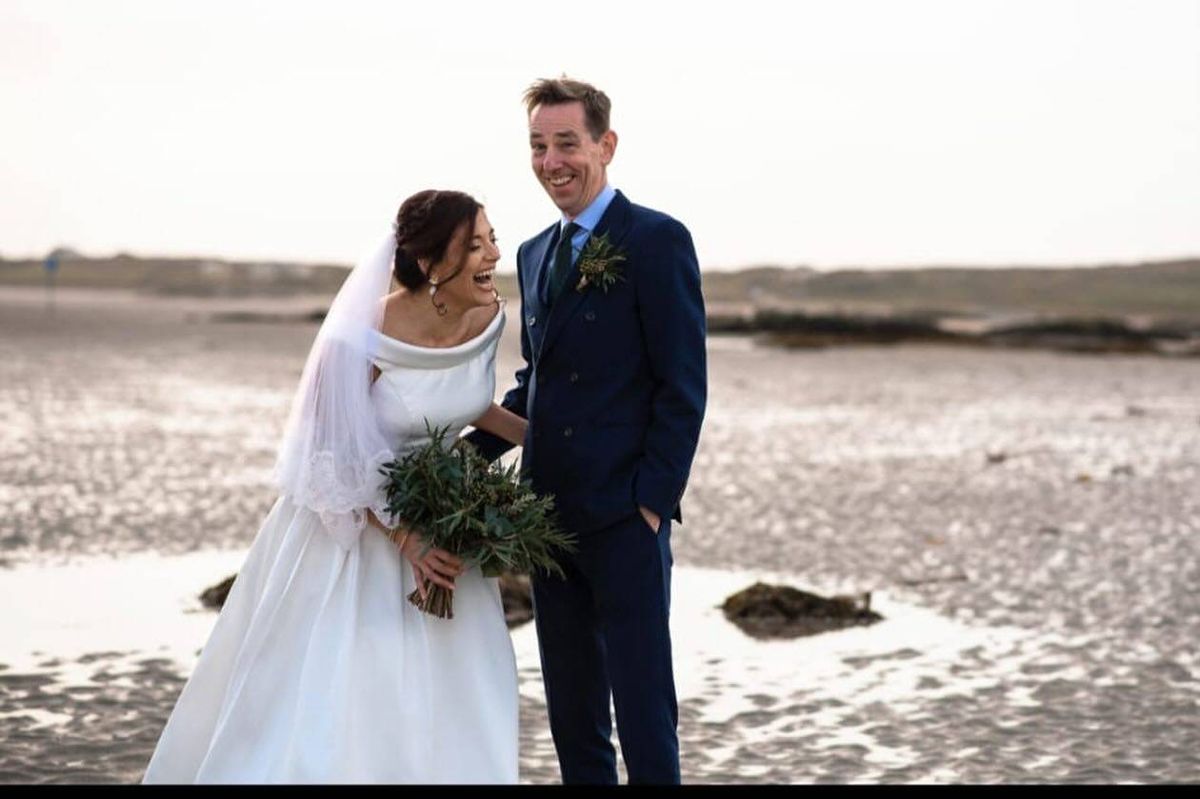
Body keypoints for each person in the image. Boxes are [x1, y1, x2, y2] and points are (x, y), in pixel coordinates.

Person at [142, 190, 527, 784]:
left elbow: (470, 406)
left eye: (492, 239)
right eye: (474, 245)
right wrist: (407, 540)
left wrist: (563, 444)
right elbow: (328, 451)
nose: (493, 255)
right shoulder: (361, 334)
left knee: (464, 688)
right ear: (429, 266)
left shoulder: (488, 316)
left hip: (446, 533)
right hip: (354, 530)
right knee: (349, 695)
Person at [464, 77, 707, 785]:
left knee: (642, 708)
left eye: (566, 144)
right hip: (546, 516)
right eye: (538, 146)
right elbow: (536, 381)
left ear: (606, 144)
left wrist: (651, 502)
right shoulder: (536, 252)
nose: (551, 161)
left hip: (626, 516)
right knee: (573, 714)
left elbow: (682, 386)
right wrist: (462, 452)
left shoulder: (657, 240)